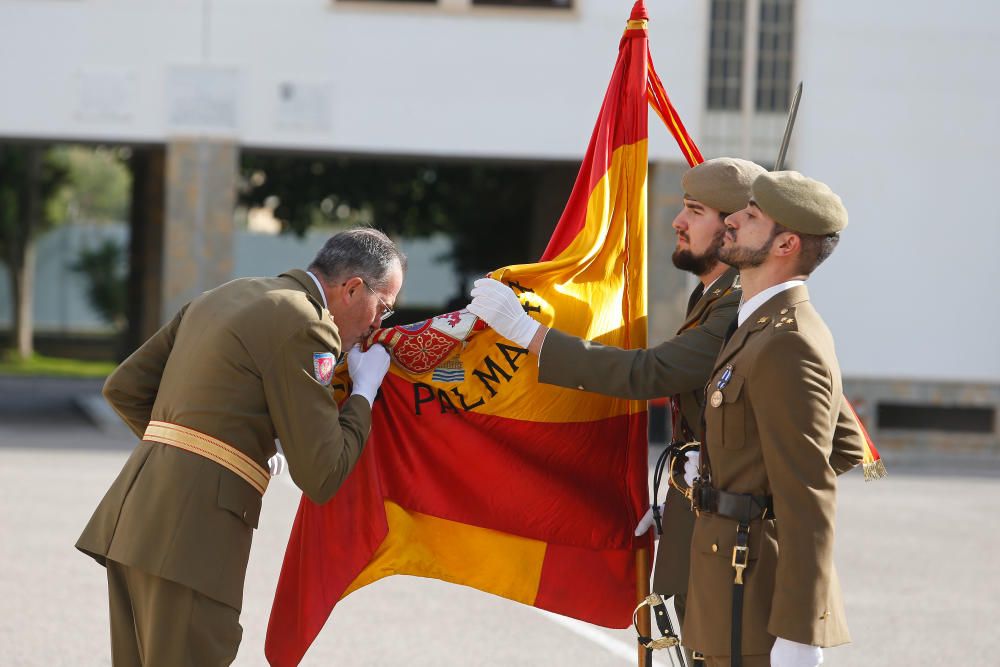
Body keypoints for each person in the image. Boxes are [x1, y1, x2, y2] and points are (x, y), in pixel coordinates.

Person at [468, 157, 765, 647]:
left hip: (736, 536)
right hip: (707, 519)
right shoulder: (714, 296)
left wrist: (529, 333)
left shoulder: (739, 304)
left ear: (733, 227)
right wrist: (683, 495)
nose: (677, 221)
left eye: (694, 210)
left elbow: (651, 373)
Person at [76, 227, 405, 665]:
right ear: (352, 288)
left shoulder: (226, 293)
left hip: (134, 519)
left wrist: (221, 451)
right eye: (382, 308)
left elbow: (125, 388)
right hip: (193, 540)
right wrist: (364, 391)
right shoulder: (309, 324)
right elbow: (322, 474)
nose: (377, 325)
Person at [682, 172, 864, 667]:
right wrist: (724, 465)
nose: (732, 220)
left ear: (785, 243)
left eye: (751, 215)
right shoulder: (759, 322)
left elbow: (809, 490)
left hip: (751, 587)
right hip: (725, 577)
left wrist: (801, 632)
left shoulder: (788, 340)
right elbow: (844, 443)